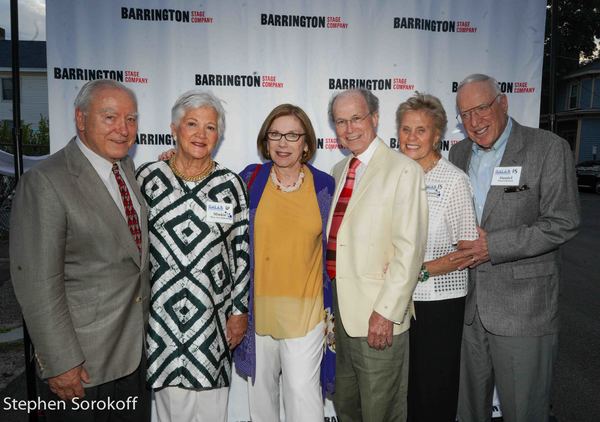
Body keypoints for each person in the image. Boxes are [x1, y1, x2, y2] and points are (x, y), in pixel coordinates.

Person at [10, 79, 150, 421]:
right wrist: (61, 362)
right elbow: (38, 284)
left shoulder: (128, 171)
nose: (123, 129)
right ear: (80, 118)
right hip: (82, 366)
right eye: (110, 117)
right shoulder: (46, 181)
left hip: (134, 357)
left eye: (131, 119)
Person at [448, 73, 580, 422]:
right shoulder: (458, 153)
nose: (474, 121)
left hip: (524, 311)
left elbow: (563, 221)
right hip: (467, 309)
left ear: (503, 102)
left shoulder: (548, 148)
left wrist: (493, 245)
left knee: (525, 413)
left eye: (482, 108)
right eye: (465, 114)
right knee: (467, 413)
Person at [136, 90, 249, 422]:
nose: (201, 134)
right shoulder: (147, 178)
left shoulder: (230, 185)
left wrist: (239, 311)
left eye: (210, 127)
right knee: (171, 411)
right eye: (192, 124)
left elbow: (241, 252)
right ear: (174, 129)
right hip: (161, 319)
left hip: (212, 318)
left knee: (213, 411)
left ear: (219, 135)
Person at [327, 89, 428, 422]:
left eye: (356, 118)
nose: (348, 128)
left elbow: (409, 250)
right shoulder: (340, 168)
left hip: (377, 315)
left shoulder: (403, 170)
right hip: (341, 312)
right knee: (347, 406)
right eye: (340, 121)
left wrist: (386, 312)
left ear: (374, 118)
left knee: (380, 410)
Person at [233, 104, 335, 422]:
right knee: (261, 403)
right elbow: (210, 202)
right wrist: (175, 163)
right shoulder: (250, 179)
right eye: (275, 134)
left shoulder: (324, 186)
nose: (283, 143)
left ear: (306, 143)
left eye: (292, 135)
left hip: (306, 313)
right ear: (266, 140)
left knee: (303, 400)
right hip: (258, 312)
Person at [395, 92, 477, 421]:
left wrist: (420, 271)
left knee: (434, 388)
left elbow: (468, 250)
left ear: (437, 135)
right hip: (398, 300)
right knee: (406, 388)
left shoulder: (454, 181)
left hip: (439, 303)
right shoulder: (396, 175)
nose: (411, 138)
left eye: (421, 130)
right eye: (405, 129)